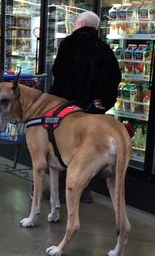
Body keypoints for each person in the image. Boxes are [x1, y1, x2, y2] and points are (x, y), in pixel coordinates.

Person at [49, 11, 121, 203]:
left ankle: (63, 192)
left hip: (67, 109)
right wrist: (104, 101)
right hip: (91, 111)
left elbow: (59, 73)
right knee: (85, 150)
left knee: (62, 148)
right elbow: (115, 78)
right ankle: (83, 191)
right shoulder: (105, 49)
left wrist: (56, 101)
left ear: (80, 24)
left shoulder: (69, 44)